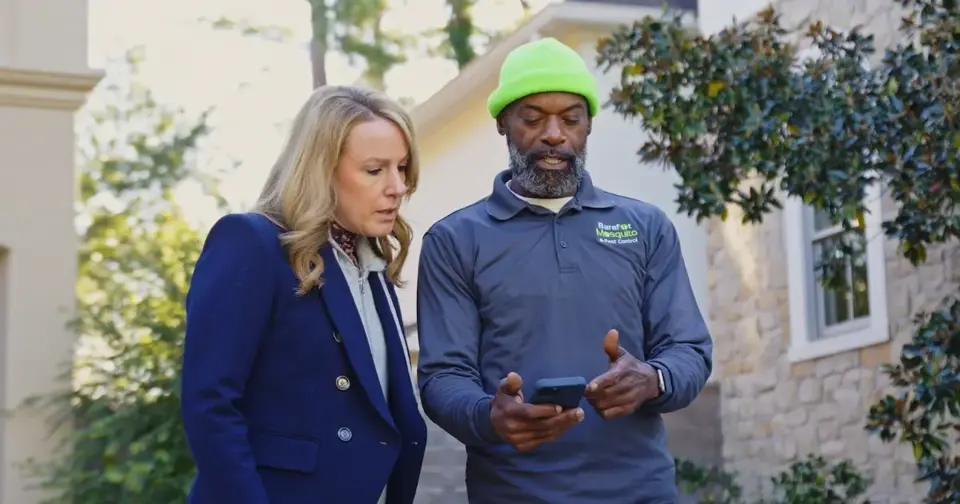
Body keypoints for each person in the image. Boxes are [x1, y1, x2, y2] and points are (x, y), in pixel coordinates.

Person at [415, 37, 713, 503]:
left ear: (589, 125)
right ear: (503, 124)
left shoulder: (645, 227)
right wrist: (488, 415)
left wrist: (652, 379)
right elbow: (441, 377)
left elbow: (689, 350)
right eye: (532, 119)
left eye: (571, 119)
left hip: (640, 491)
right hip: (513, 493)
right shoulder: (455, 240)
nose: (554, 134)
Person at [180, 85, 427, 504]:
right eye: (374, 170)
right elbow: (211, 406)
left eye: (401, 168)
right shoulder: (251, 243)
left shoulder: (373, 263)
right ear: (321, 170)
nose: (397, 187)